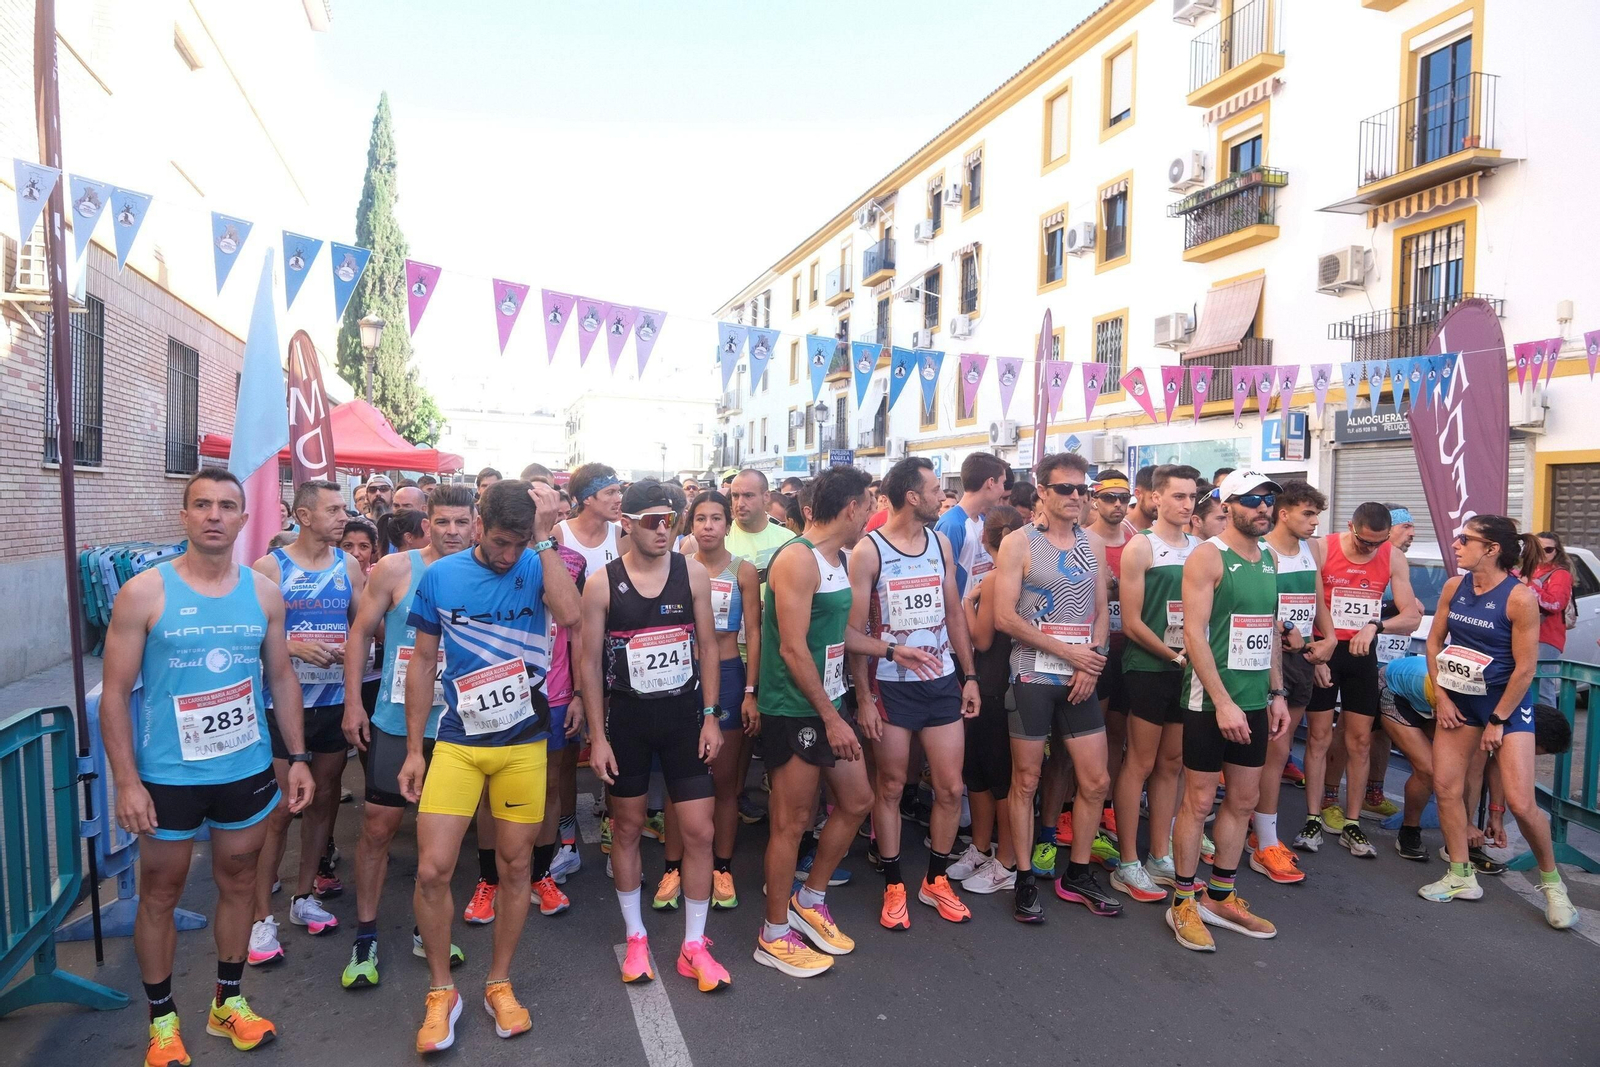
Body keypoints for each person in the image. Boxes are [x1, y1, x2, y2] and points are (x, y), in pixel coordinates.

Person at [99, 469, 314, 1066]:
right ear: (185, 515)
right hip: (168, 775)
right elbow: (115, 693)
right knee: (161, 892)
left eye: (227, 506)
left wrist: (296, 757)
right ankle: (163, 1020)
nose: (214, 515)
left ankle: (227, 1002)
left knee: (240, 882)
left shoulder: (264, 593)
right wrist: (126, 780)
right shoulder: (145, 592)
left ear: (245, 519)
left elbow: (280, 677)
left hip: (244, 767)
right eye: (202, 505)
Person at [399, 479, 580, 1052]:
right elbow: (423, 661)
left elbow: (571, 615)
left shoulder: (536, 562)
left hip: (523, 744)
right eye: (500, 542)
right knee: (433, 869)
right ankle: (440, 990)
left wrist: (544, 539)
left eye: (518, 542)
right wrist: (412, 749)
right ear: (478, 525)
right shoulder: (440, 577)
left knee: (516, 867)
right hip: (457, 742)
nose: (507, 555)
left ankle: (498, 981)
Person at [580, 480, 731, 990]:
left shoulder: (692, 573)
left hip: (683, 718)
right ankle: (637, 935)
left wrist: (711, 715)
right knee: (626, 828)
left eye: (670, 520)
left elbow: (708, 646)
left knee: (699, 832)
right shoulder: (602, 583)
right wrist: (598, 740)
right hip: (628, 723)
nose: (664, 530)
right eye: (652, 521)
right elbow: (588, 662)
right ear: (627, 523)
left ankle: (692, 945)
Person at [338, 486, 475, 990]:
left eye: (463, 522)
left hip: (461, 727)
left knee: (438, 838)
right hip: (398, 721)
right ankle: (366, 933)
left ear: (476, 524)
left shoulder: (487, 572)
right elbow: (359, 635)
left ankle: (427, 927)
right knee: (378, 825)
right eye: (443, 522)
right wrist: (355, 702)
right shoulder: (395, 570)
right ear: (426, 523)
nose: (453, 532)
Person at [754, 466, 888, 977]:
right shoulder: (796, 560)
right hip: (795, 708)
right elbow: (791, 647)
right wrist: (834, 718)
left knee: (857, 801)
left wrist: (893, 649)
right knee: (791, 824)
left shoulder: (842, 558)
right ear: (852, 507)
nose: (871, 513)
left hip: (828, 702)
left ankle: (809, 900)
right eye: (869, 503)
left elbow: (838, 635)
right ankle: (772, 934)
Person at [1418, 516, 1577, 928]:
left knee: (1523, 803)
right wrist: (1443, 697)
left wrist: (1498, 719)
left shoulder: (1519, 597)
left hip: (1505, 703)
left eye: (1465, 539)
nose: (1455, 544)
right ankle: (1460, 875)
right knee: (1447, 787)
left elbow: (1526, 668)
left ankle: (1554, 884)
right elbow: (1435, 641)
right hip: (1459, 700)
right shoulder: (1455, 586)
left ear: (1491, 549)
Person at [849, 457, 981, 929]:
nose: (941, 496)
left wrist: (969, 675)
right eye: (933, 489)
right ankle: (893, 884)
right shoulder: (869, 551)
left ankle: (936, 880)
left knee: (949, 786)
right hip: (891, 688)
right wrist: (864, 696)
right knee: (890, 785)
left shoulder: (940, 542)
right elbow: (851, 632)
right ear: (911, 496)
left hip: (942, 681)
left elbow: (953, 614)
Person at [992, 452, 1119, 923]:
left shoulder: (1093, 543)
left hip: (1081, 675)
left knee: (1096, 779)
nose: (1075, 497)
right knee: (1026, 780)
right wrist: (1070, 655)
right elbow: (1006, 617)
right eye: (1064, 488)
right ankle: (1024, 876)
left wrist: (1092, 664)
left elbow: (1102, 613)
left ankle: (1078, 873)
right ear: (1041, 490)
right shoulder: (1018, 543)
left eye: (1082, 489)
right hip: (1031, 675)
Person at [1167, 470, 1289, 952]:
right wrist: (1221, 702)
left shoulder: (1269, 558)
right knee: (1198, 802)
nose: (1263, 508)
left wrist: (1277, 693)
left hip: (1256, 701)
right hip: (1209, 702)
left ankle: (1220, 894)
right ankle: (1182, 899)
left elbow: (1271, 627)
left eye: (1269, 501)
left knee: (1242, 800)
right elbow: (1193, 634)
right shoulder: (1207, 556)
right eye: (1253, 500)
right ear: (1228, 503)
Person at [249, 480, 366, 963]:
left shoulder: (350, 565)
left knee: (321, 804)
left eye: (344, 508)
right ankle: (259, 917)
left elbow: (363, 625)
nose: (345, 516)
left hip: (334, 701)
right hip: (283, 705)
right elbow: (251, 633)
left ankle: (303, 897)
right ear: (304, 515)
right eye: (335, 510)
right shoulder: (270, 568)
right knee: (281, 810)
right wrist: (293, 646)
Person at [1305, 501, 1420, 858]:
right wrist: (1314, 651)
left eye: (1379, 542)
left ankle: (1353, 823)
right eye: (1364, 542)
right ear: (1350, 527)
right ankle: (1313, 815)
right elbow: (1302, 601)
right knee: (1319, 737)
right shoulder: (1322, 547)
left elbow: (1411, 616)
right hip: (1324, 651)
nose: (1371, 549)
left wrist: (1376, 625)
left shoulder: (1392, 556)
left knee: (1360, 741)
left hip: (1361, 652)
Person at [1109, 464, 1202, 903]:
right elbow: (1130, 622)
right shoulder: (1140, 548)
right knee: (1140, 763)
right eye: (1178, 496)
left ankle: (1159, 855)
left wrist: (1195, 658)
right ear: (1156, 499)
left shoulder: (1202, 548)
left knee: (1172, 763)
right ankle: (1128, 861)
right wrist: (1174, 655)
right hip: (1149, 668)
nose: (1187, 504)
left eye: (1192, 497)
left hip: (1188, 671)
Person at [680, 490, 763, 910]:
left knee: (725, 782)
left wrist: (751, 691)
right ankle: (674, 869)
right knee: (684, 778)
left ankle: (723, 868)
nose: (708, 525)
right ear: (690, 525)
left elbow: (756, 632)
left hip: (730, 675)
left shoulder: (743, 571)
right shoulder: (677, 568)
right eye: (701, 518)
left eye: (716, 518)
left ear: (727, 525)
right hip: (683, 677)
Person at [1253, 481, 1336, 881]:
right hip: (1271, 660)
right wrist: (1287, 632)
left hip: (1303, 658)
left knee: (1281, 751)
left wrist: (1328, 641)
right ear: (1283, 513)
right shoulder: (1261, 550)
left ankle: (1259, 831)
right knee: (1276, 749)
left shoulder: (1311, 548)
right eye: (1307, 513)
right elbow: (1259, 608)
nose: (1314, 521)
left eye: (1316, 514)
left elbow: (1318, 599)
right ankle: (1264, 838)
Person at [956, 504, 1027, 895]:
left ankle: (1006, 860)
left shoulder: (999, 577)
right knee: (980, 772)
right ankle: (982, 848)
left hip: (995, 683)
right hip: (993, 682)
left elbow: (981, 639)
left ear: (986, 539)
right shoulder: (1009, 574)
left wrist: (968, 603)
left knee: (996, 776)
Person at [1084, 470, 1134, 832]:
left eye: (1124, 498)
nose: (1118, 505)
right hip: (1092, 653)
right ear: (1094, 499)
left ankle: (1108, 807)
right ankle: (1074, 808)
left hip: (1128, 650)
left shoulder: (1137, 540)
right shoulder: (1082, 541)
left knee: (1116, 734)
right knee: (1088, 737)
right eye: (1109, 498)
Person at [934, 451, 1011, 599]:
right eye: (1003, 482)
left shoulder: (984, 520)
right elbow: (943, 586)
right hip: (961, 617)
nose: (1003, 489)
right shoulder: (952, 524)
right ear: (990, 483)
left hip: (979, 616)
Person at [1524, 530, 1575, 708]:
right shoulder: (1531, 570)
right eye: (1538, 548)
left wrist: (1529, 585)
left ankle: (1548, 731)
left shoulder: (1560, 574)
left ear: (1556, 552)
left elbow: (1555, 604)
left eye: (1548, 549)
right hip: (1528, 635)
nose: (1543, 553)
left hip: (1546, 637)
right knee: (1527, 685)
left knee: (1543, 687)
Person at [1128, 465, 1157, 533]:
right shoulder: (1120, 531)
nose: (1159, 503)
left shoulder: (1159, 530)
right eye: (1154, 498)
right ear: (1138, 494)